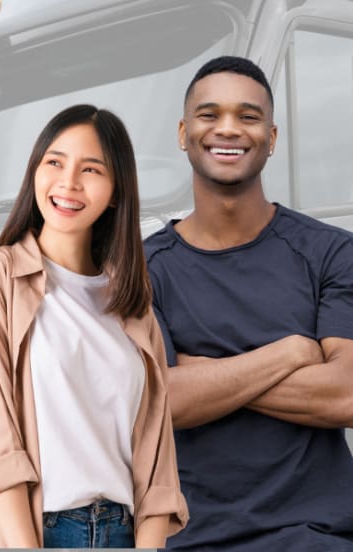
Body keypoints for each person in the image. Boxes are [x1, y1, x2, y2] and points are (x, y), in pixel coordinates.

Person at [0, 104, 188, 549]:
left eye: (91, 169)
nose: (69, 182)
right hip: (38, 531)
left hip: (123, 532)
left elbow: (157, 459)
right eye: (54, 162)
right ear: (35, 172)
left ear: (116, 191)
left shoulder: (134, 306)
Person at [145, 55, 353, 550]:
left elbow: (346, 394)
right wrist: (290, 353)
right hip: (190, 538)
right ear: (183, 132)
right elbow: (159, 402)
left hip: (318, 535)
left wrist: (204, 373)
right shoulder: (142, 270)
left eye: (249, 116)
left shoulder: (331, 252)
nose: (229, 129)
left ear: (272, 137)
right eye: (210, 114)